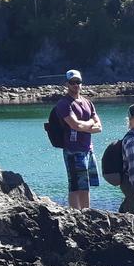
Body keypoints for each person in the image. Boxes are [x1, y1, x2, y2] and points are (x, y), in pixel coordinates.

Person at [54, 69, 102, 210]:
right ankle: (76, 215)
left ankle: (86, 214)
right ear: (67, 84)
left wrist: (84, 126)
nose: (76, 85)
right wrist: (88, 125)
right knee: (75, 185)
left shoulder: (87, 102)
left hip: (88, 149)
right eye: (72, 82)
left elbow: (99, 127)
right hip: (73, 150)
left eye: (78, 82)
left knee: (85, 185)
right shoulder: (64, 104)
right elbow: (74, 124)